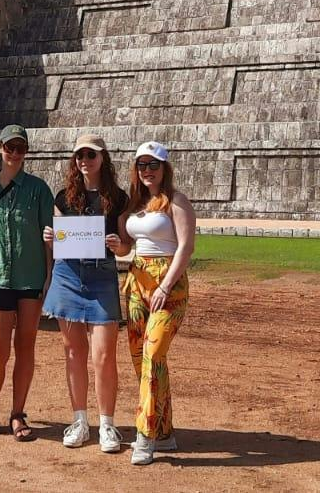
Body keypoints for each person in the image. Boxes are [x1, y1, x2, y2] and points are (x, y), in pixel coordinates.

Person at [0, 124, 54, 441]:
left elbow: (49, 239)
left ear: (26, 152)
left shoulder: (38, 189)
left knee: (26, 347)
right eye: (10, 147)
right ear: (0, 148)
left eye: (21, 148)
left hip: (30, 277)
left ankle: (18, 413)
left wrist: (48, 278)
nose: (15, 153)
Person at [40, 134, 128, 452]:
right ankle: (79, 420)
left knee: (103, 355)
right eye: (79, 156)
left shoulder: (118, 198)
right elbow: (59, 244)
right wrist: (51, 237)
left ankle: (107, 424)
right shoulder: (64, 197)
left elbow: (126, 242)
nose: (84, 161)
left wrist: (121, 245)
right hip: (68, 276)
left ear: (102, 158)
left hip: (102, 277)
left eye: (90, 155)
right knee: (74, 352)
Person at [118, 140, 196, 466]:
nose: (147, 170)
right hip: (137, 281)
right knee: (143, 360)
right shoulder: (135, 204)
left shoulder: (176, 202)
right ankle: (165, 432)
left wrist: (165, 284)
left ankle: (145, 435)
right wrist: (116, 246)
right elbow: (126, 247)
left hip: (168, 284)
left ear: (165, 168)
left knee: (153, 352)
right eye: (142, 165)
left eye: (154, 165)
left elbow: (185, 248)